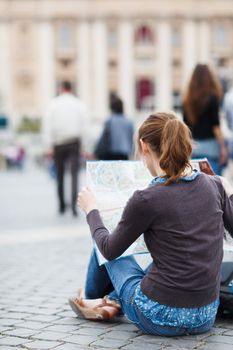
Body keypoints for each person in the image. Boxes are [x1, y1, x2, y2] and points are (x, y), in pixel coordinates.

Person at [68, 112, 233, 336]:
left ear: (145, 147)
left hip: (157, 316)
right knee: (166, 259)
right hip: (205, 315)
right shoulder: (214, 186)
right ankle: (109, 300)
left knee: (106, 242)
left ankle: (93, 300)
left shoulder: (147, 198)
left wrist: (92, 210)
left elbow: (109, 249)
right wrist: (228, 192)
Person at [43, 81, 88, 216]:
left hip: (58, 143)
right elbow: (84, 126)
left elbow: (48, 126)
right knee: (74, 175)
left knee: (60, 175)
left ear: (61, 88)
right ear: (71, 89)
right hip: (74, 143)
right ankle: (74, 206)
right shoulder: (79, 104)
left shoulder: (53, 104)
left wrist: (48, 145)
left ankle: (62, 205)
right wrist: (85, 147)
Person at [183, 63, 228, 175]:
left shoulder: (187, 99)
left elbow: (185, 127)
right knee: (214, 185)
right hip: (211, 148)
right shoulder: (212, 97)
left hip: (193, 147)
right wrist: (223, 147)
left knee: (196, 185)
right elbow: (215, 126)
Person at [94, 95, 134, 160]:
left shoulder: (110, 121)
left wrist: (96, 151)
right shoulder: (129, 122)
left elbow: (104, 138)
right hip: (125, 153)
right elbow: (132, 139)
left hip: (111, 153)